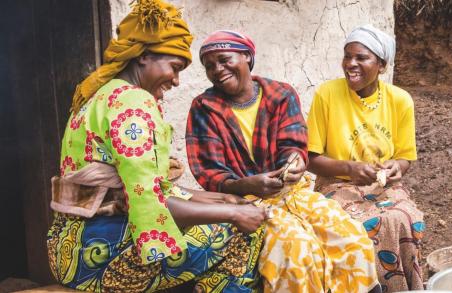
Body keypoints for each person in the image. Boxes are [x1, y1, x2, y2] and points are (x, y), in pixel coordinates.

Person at [47, 1, 267, 292]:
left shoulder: (100, 95)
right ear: (143, 56)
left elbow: (149, 187)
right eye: (174, 68)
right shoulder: (133, 102)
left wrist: (223, 200)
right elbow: (146, 202)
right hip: (97, 255)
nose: (176, 81)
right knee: (244, 233)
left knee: (229, 213)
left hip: (68, 247)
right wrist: (233, 214)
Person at [186, 30, 381, 293]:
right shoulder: (204, 108)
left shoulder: (280, 94)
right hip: (245, 203)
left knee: (351, 238)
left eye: (224, 59)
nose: (217, 69)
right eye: (209, 66)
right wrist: (246, 185)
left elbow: (294, 146)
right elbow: (209, 174)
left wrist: (294, 163)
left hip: (292, 193)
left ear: (246, 56)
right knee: (296, 248)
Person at [306, 24, 425, 292]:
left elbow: (405, 158)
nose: (351, 64)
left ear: (381, 65)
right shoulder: (327, 94)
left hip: (382, 186)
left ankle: (402, 287)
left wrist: (397, 168)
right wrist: (348, 168)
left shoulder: (400, 100)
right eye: (347, 56)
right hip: (333, 183)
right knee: (360, 225)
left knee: (406, 218)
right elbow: (310, 158)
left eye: (362, 57)